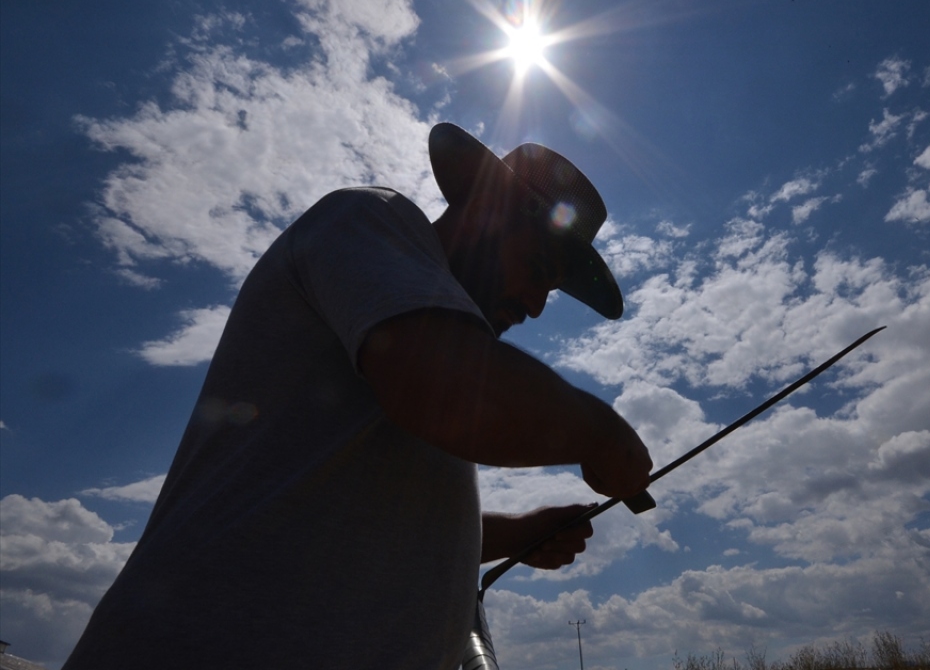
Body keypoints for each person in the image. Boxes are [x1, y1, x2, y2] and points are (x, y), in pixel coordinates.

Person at [64, 123, 653, 669]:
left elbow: (349, 513)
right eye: (537, 268)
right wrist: (601, 431)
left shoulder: (437, 354)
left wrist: (510, 534)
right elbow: (437, 386)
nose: (535, 305)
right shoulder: (369, 219)